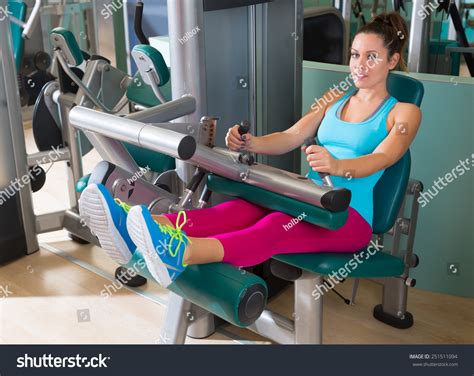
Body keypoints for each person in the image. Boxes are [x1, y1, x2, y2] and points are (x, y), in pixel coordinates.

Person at [79, 12, 421, 288]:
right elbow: (291, 135)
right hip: (309, 200)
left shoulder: (403, 112)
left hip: (351, 218)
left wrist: (339, 165)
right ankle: (137, 226)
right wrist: (251, 143)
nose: (360, 64)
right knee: (236, 211)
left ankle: (180, 253)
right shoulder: (335, 99)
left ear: (392, 61)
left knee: (273, 226)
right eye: (355, 55)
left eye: (372, 57)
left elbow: (384, 158)